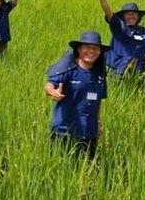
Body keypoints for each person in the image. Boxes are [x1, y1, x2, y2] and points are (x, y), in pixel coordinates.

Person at [44, 31, 110, 160]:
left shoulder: (99, 75)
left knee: (87, 167)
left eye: (96, 48)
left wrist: (98, 125)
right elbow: (50, 84)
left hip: (89, 132)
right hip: (65, 131)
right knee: (61, 167)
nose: (92, 51)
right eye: (87, 47)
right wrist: (53, 92)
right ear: (79, 49)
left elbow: (98, 103)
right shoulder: (68, 70)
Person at [92, 0, 145, 80]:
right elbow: (108, 12)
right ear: (123, 16)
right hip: (119, 69)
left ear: (138, 17)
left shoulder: (144, 32)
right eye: (129, 14)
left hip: (139, 70)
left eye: (134, 14)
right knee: (120, 91)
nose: (132, 16)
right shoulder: (118, 26)